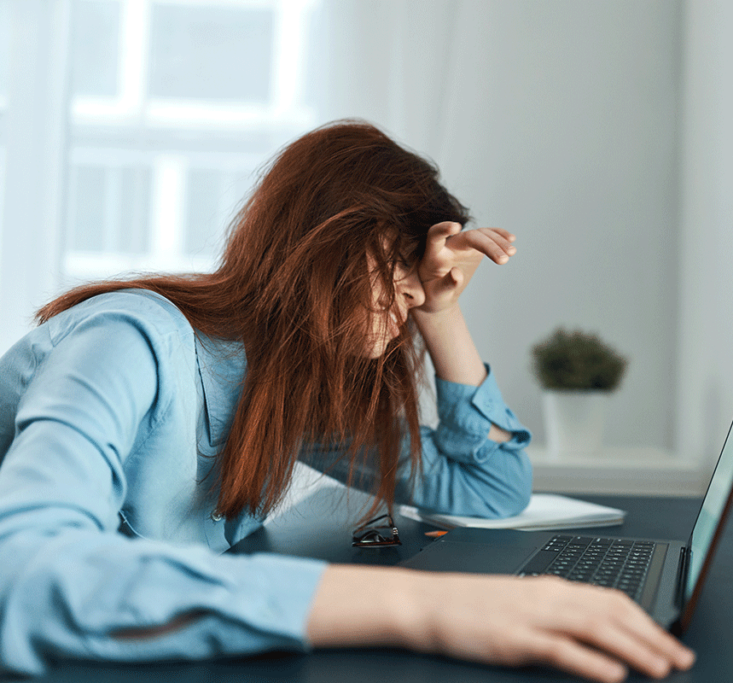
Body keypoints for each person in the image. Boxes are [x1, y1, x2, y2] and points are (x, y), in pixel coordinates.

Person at [0, 120, 695, 682]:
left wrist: (443, 317)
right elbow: (23, 575)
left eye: (427, 283)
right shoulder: (130, 338)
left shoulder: (288, 399)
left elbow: (492, 490)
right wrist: (423, 606)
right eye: (407, 263)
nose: (419, 291)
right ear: (329, 233)